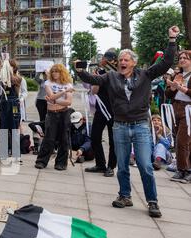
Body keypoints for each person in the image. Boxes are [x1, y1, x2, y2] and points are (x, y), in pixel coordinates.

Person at [75, 26, 180, 218]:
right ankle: (125, 195)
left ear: (133, 63)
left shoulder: (146, 75)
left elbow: (166, 63)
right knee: (122, 165)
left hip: (140, 125)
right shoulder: (111, 76)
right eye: (121, 59)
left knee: (145, 165)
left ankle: (152, 201)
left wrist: (172, 40)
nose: (123, 62)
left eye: (126, 60)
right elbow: (93, 79)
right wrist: (80, 70)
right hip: (120, 125)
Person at [85, 50, 118, 178]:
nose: (105, 61)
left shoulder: (119, 73)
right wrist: (95, 79)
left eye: (108, 60)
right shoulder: (100, 72)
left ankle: (111, 166)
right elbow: (94, 91)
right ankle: (100, 164)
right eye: (105, 59)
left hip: (115, 110)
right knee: (95, 137)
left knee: (113, 140)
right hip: (101, 109)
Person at [35, 64, 74, 170]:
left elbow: (68, 102)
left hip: (64, 113)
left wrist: (55, 100)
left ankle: (61, 163)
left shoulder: (68, 84)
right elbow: (51, 96)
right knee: (49, 138)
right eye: (53, 71)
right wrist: (64, 92)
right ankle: (41, 161)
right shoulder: (48, 83)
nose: (54, 73)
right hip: (51, 113)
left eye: (57, 71)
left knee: (63, 139)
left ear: (62, 72)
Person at [166, 50, 191, 183]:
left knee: (183, 140)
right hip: (177, 109)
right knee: (180, 140)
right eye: (180, 58)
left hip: (189, 110)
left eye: (185, 58)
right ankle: (182, 169)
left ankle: (185, 170)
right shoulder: (178, 74)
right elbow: (168, 94)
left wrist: (182, 88)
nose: (182, 60)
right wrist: (173, 88)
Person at [0, 59, 22, 160]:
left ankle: (16, 154)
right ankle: (3, 153)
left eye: (10, 66)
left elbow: (13, 81)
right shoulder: (2, 77)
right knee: (3, 128)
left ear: (14, 67)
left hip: (14, 105)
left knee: (14, 128)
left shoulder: (18, 78)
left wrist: (8, 71)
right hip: (4, 104)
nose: (8, 68)